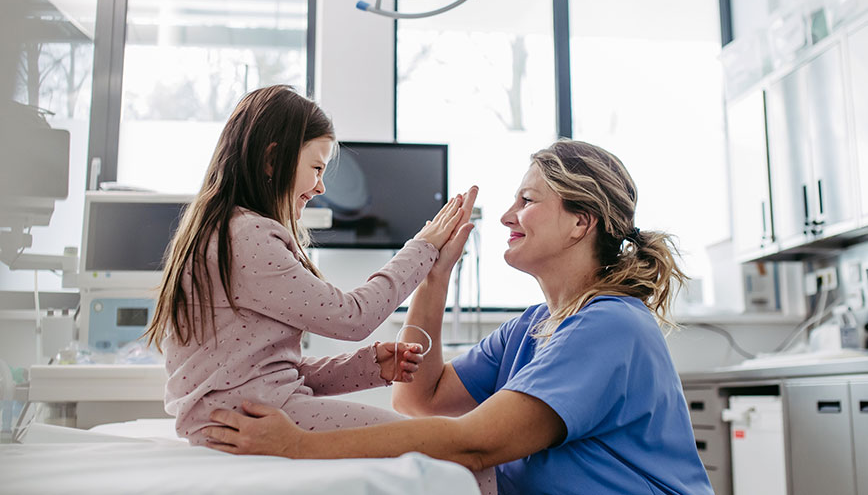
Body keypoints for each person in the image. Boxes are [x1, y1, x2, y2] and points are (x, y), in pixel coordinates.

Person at [202, 139, 715, 495]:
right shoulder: (533, 327)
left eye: (528, 200)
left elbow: (474, 442)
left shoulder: (611, 326)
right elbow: (418, 398)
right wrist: (434, 278)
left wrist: (300, 447)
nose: (508, 215)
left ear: (582, 222)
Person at [141, 85, 484, 481]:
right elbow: (352, 318)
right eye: (317, 168)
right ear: (273, 160)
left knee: (439, 444)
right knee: (450, 454)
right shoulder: (247, 236)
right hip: (256, 418)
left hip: (244, 413)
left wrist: (368, 366)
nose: (321, 187)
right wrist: (422, 247)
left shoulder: (219, 230)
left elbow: (269, 372)